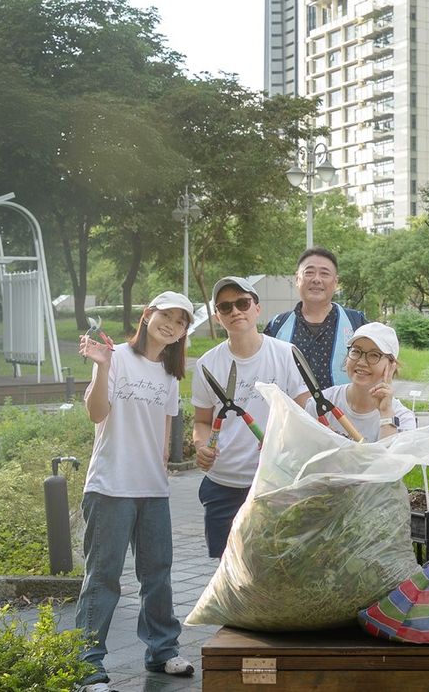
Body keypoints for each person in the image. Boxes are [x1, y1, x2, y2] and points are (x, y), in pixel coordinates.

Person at [75, 291, 197, 691]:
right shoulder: (116, 358)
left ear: (182, 333)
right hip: (110, 486)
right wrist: (102, 368)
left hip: (152, 490)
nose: (172, 325)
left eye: (181, 322)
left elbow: (163, 437)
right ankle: (87, 663)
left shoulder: (169, 374)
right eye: (167, 315)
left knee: (158, 574)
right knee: (104, 577)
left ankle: (162, 651)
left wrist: (161, 473)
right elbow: (96, 414)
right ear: (148, 314)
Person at [194, 276, 310, 559]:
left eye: (243, 303)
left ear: (257, 308)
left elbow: (304, 412)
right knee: (225, 571)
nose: (235, 311)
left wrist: (280, 438)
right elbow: (201, 421)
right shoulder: (206, 364)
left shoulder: (285, 354)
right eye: (225, 307)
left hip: (274, 482)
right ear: (218, 317)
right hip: (223, 484)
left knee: (275, 568)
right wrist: (200, 446)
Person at [264, 247, 367, 387]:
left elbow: (376, 366)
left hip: (344, 408)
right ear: (297, 279)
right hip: (289, 408)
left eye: (324, 274)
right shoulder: (276, 326)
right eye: (309, 272)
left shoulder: (357, 324)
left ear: (336, 282)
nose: (316, 279)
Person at [321, 322, 417, 441]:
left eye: (374, 355)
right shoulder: (322, 402)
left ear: (392, 365)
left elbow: (390, 459)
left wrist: (386, 413)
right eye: (356, 351)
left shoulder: (403, 418)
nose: (361, 362)